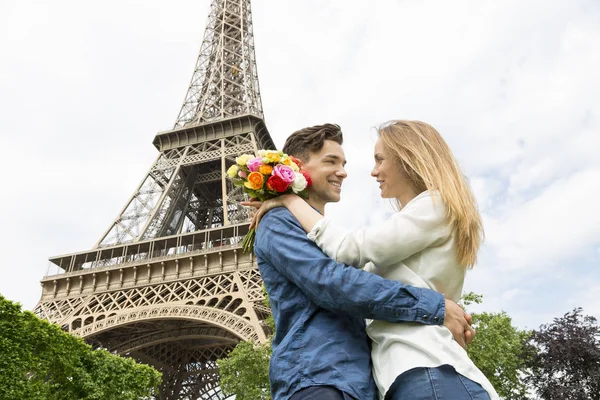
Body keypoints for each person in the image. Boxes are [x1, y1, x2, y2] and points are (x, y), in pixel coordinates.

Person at [251, 120, 499, 399]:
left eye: (379, 159)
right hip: (326, 379)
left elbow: (352, 265)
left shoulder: (431, 207)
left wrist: (289, 199)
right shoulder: (278, 222)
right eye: (331, 161)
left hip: (413, 372)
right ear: (296, 166)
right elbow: (336, 283)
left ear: (409, 159)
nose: (347, 172)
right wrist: (437, 306)